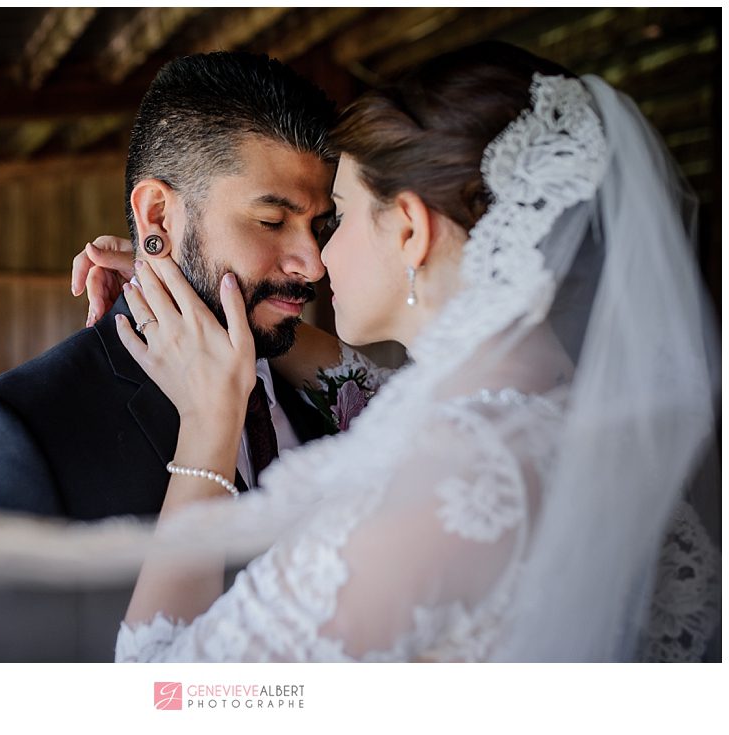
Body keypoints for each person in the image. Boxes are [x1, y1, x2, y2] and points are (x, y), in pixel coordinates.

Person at [88, 41, 720, 661]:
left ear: (412, 231)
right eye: (276, 223)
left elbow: (165, 695)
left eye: (337, 216)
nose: (315, 262)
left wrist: (208, 426)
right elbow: (378, 394)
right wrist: (193, 286)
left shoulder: (432, 493)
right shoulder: (572, 412)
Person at [0, 51, 340, 661]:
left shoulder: (331, 391)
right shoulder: (14, 432)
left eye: (320, 226)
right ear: (157, 214)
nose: (312, 263)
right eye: (272, 220)